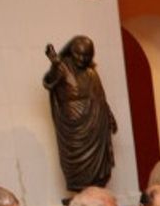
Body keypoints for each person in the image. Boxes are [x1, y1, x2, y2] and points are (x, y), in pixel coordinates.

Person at [43, 35, 117, 190]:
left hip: (97, 122)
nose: (83, 59)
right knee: (79, 167)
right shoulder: (63, 66)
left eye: (87, 55)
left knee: (100, 168)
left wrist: (109, 115)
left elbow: (100, 96)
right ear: (71, 52)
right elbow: (49, 81)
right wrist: (56, 64)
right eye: (80, 54)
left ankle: (97, 188)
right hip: (75, 126)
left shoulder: (91, 72)